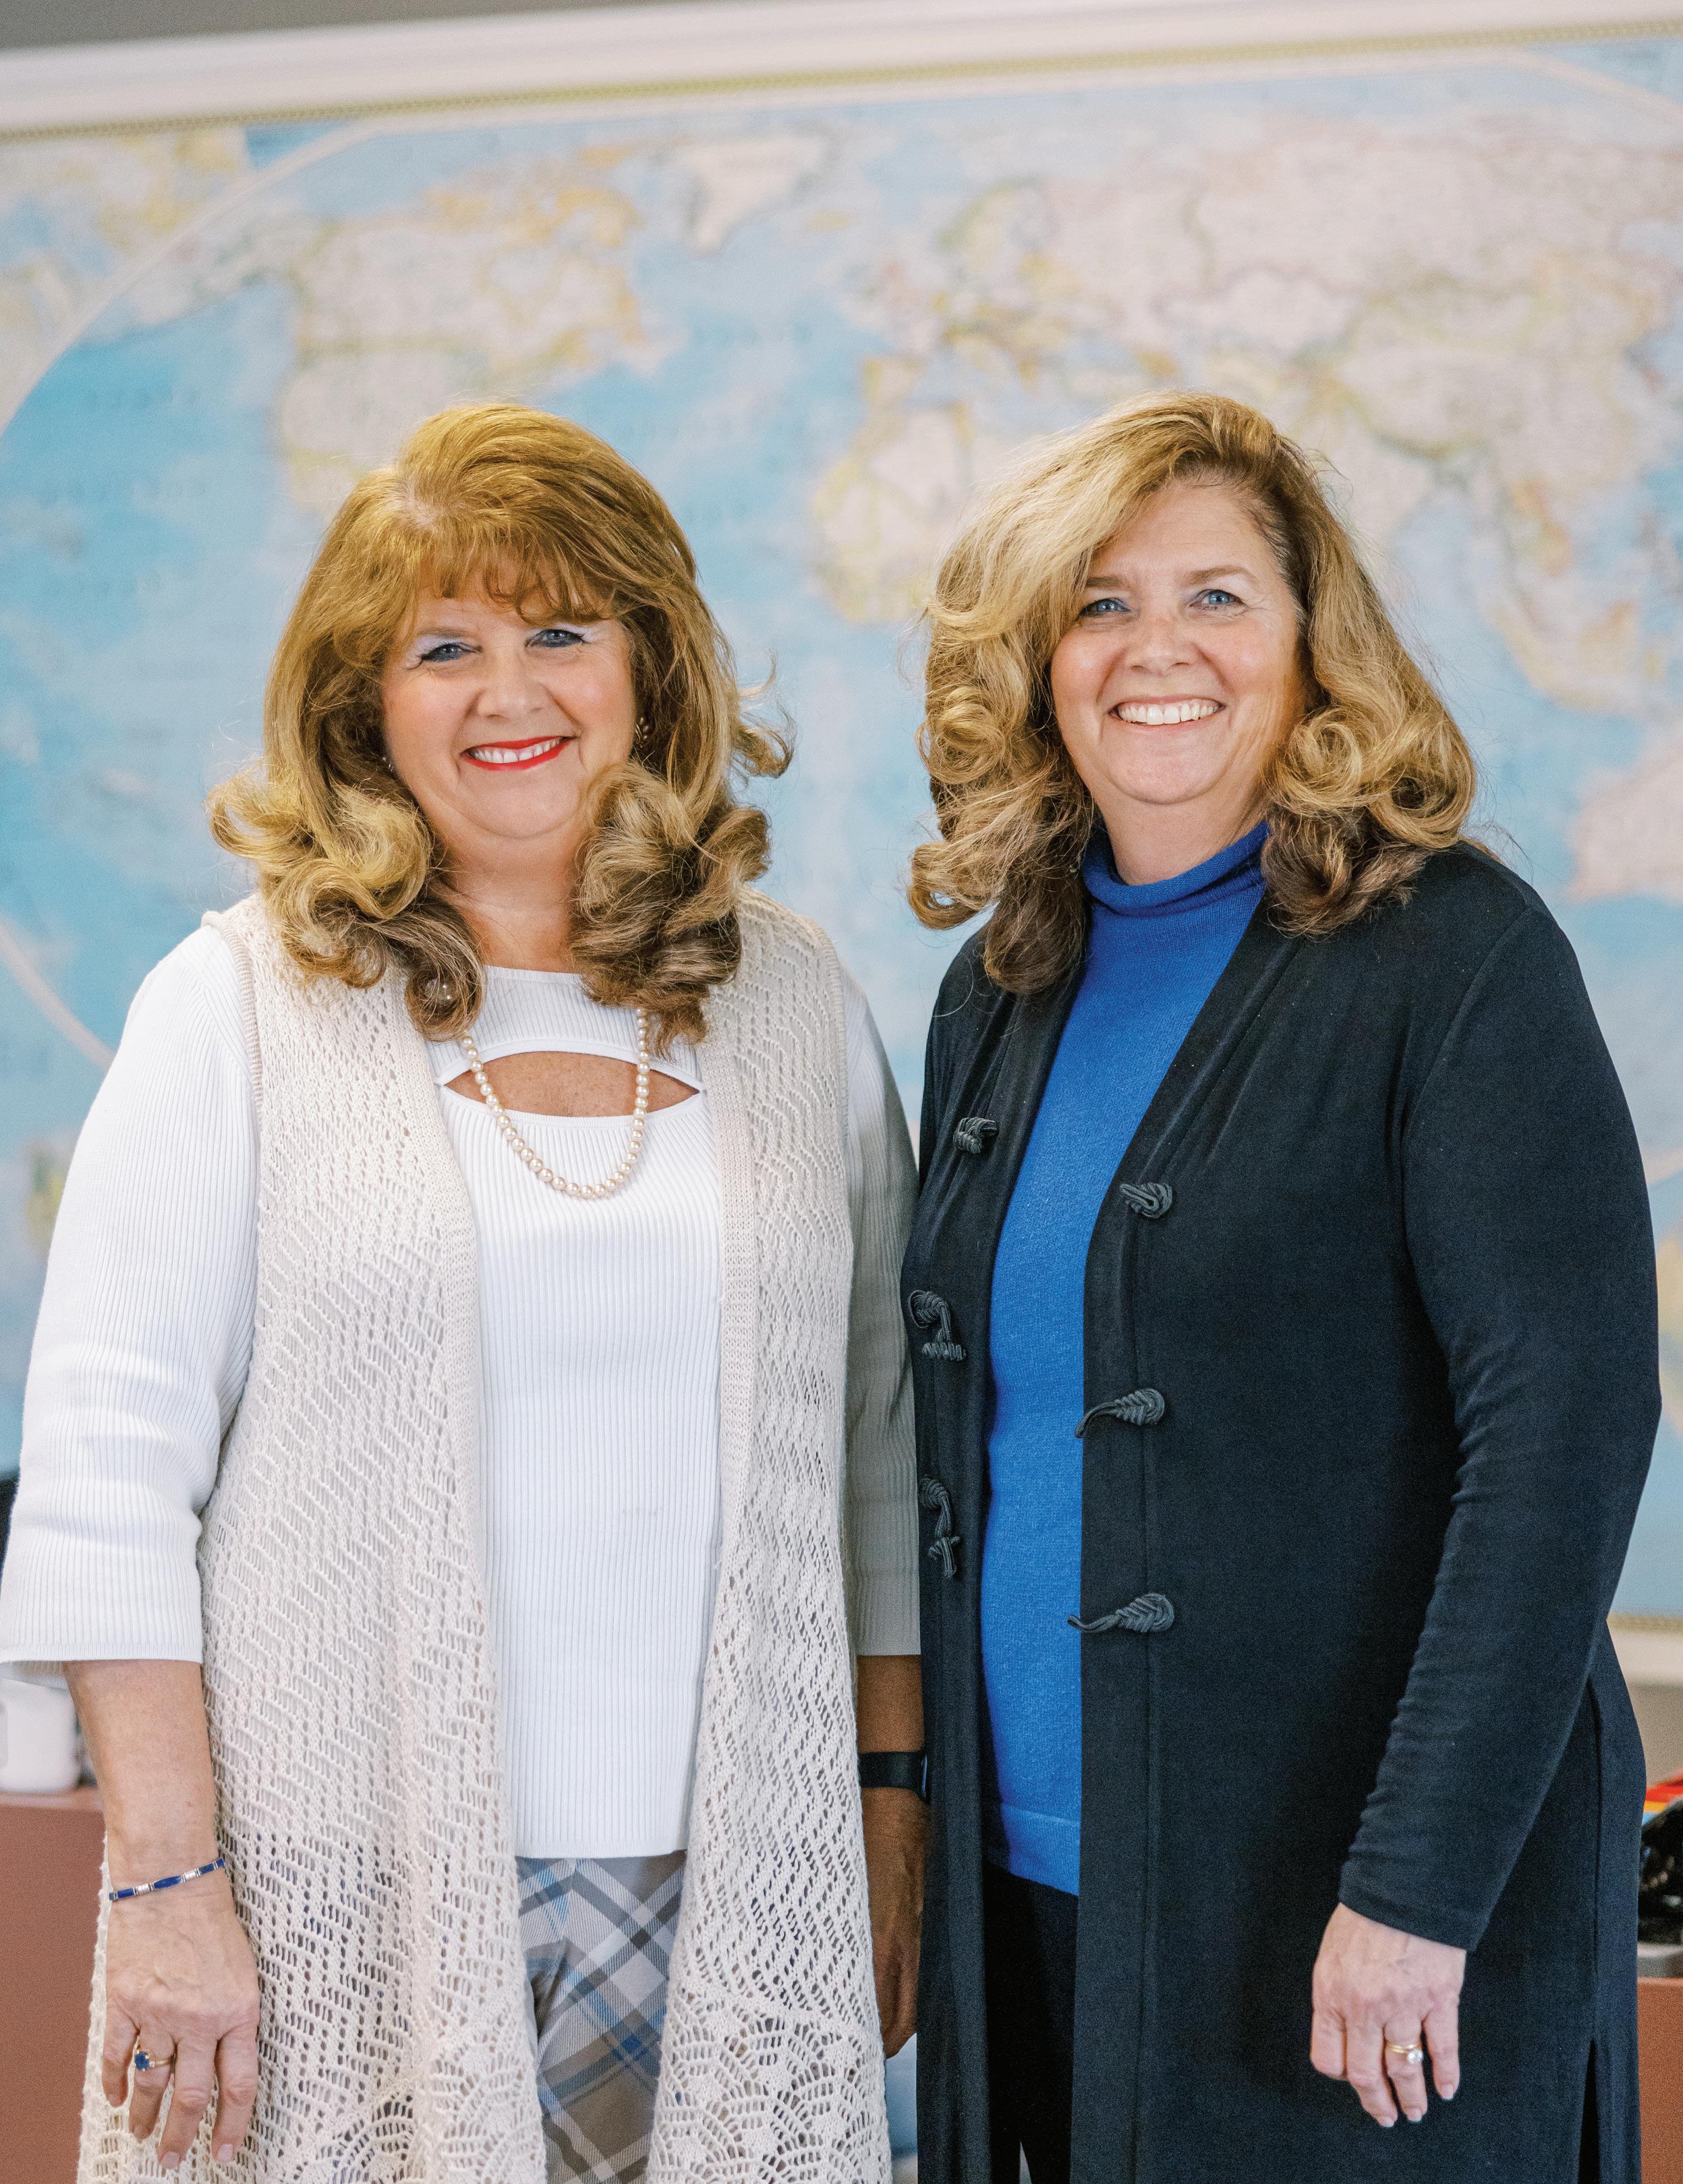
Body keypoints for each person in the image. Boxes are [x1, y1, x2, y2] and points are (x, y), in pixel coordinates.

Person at [0, 403, 926, 2183]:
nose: (512, 692)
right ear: (366, 704)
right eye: (445, 648)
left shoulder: (795, 1003)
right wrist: (167, 1883)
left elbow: (879, 1458)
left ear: (650, 669)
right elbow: (110, 1478)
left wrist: (889, 1813)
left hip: (738, 1883)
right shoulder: (236, 1005)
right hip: (338, 1884)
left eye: (562, 631)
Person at [901, 390, 1657, 2184]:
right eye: (1100, 604)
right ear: (1038, 664)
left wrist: (1418, 1886)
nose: (1155, 648)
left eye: (1217, 597)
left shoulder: (1455, 955)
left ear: (1315, 646)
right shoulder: (997, 988)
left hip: (1350, 1923)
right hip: (1034, 1896)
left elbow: (1561, 1439)